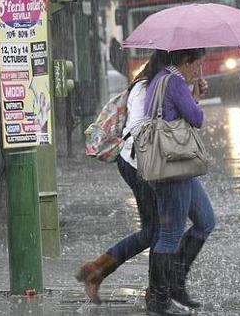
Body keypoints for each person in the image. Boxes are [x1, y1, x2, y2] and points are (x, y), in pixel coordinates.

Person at [75, 51, 164, 305]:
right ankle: (154, 291)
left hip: (140, 164)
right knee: (159, 230)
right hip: (138, 164)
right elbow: (138, 126)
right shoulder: (146, 87)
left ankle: (97, 270)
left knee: (154, 231)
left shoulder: (156, 84)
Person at [143, 49, 215, 316]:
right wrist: (195, 98)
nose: (199, 70)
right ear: (186, 61)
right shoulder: (173, 82)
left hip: (175, 164)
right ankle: (160, 300)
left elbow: (175, 115)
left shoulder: (159, 78)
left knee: (206, 220)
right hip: (172, 166)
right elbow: (196, 119)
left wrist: (193, 95)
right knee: (170, 235)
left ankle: (175, 283)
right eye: (197, 64)